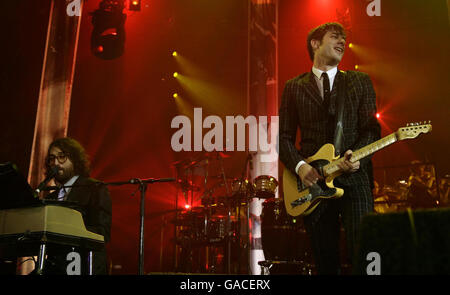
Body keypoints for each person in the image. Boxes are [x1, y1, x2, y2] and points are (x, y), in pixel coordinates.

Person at [279, 22, 381, 274]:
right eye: (335, 37)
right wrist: (301, 167)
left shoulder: (359, 81)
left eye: (344, 39)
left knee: (365, 252)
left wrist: (356, 157)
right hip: (313, 185)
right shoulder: (294, 87)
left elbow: (371, 129)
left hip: (354, 178)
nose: (342, 42)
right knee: (325, 260)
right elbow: (283, 137)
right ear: (315, 43)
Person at [43, 137, 112, 274]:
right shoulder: (50, 197)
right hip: (55, 266)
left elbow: (103, 232)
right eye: (52, 158)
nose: (56, 163)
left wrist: (69, 227)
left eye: (62, 157)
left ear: (74, 158)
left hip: (85, 265)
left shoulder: (95, 188)